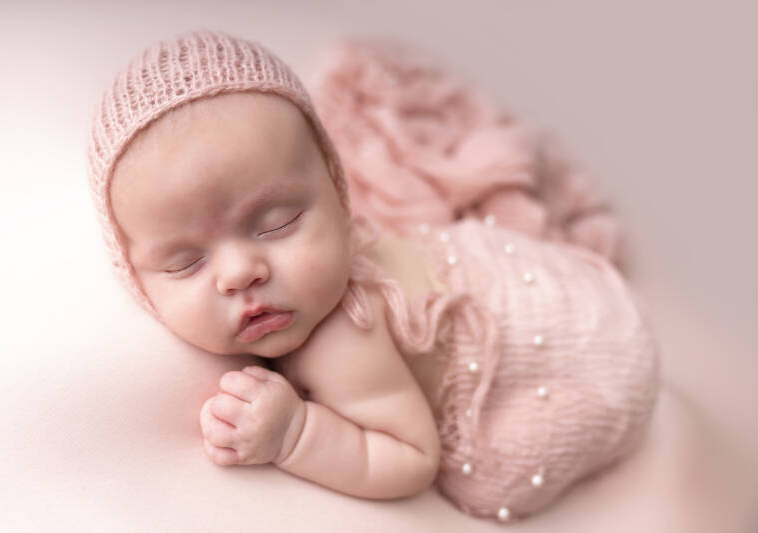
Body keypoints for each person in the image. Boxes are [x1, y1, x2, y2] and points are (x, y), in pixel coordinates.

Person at [87, 30, 659, 523]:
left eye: (278, 224)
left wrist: (296, 434)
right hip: (538, 276)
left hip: (597, 354)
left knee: (488, 485)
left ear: (339, 195)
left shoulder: (341, 340)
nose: (241, 273)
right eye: (186, 262)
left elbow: (411, 458)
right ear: (132, 275)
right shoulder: (288, 282)